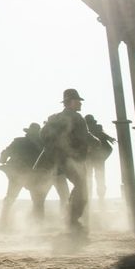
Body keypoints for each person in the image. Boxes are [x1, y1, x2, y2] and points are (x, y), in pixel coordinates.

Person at [38, 88, 91, 236]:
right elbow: (83, 137)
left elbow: (42, 135)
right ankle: (72, 220)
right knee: (82, 188)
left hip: (58, 159)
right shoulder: (77, 117)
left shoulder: (55, 118)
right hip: (72, 159)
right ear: (70, 102)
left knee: (79, 187)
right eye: (78, 101)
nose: (80, 103)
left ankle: (70, 217)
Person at [83, 114, 116, 201]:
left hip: (92, 159)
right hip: (97, 159)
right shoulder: (97, 129)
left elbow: (103, 136)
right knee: (98, 178)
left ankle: (91, 198)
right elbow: (105, 137)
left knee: (90, 178)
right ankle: (99, 198)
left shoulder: (88, 130)